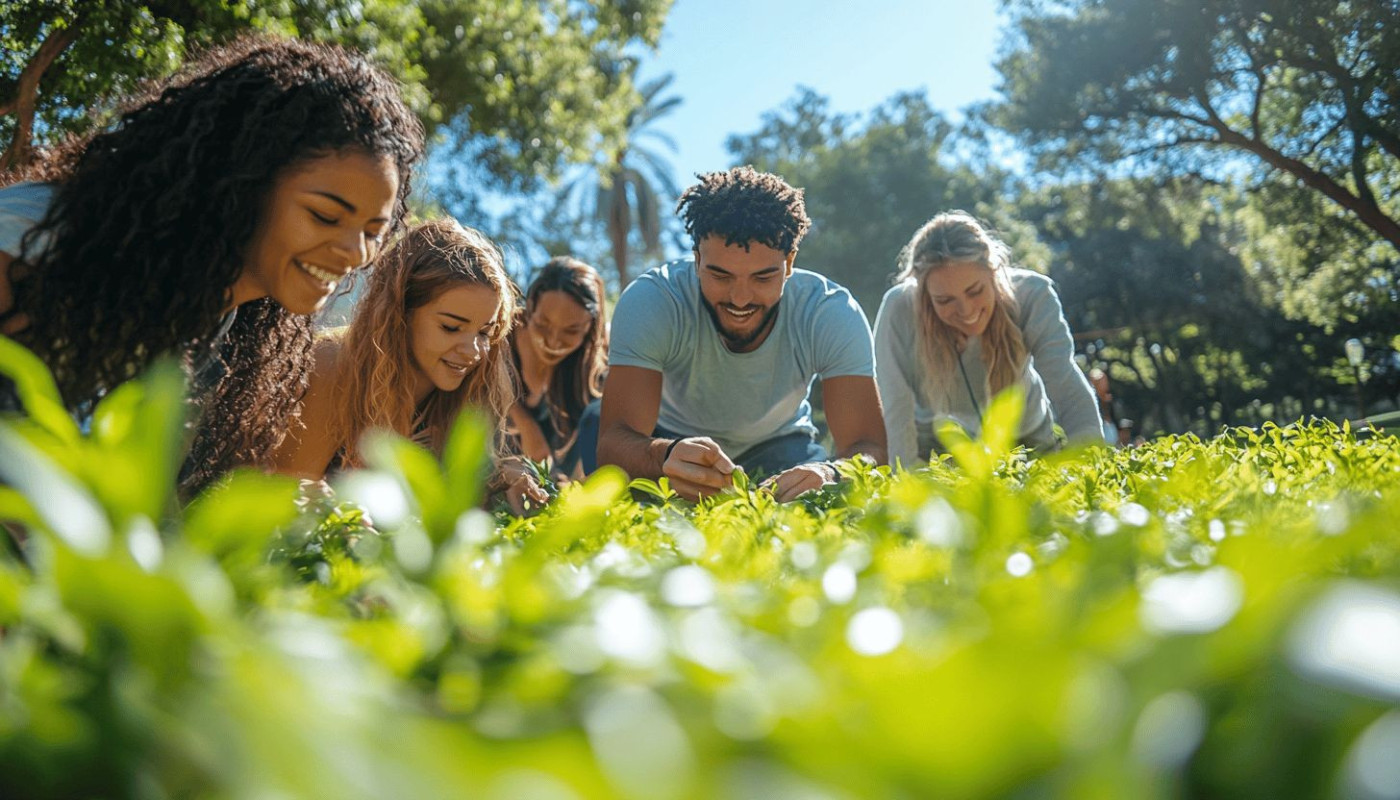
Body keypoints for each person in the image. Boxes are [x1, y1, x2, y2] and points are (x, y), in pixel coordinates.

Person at [0, 36, 424, 496]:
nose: (355, 252)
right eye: (325, 216)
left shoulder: (219, 327)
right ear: (240, 182)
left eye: (372, 232)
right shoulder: (33, 240)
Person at [596, 165, 887, 502]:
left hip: (781, 445)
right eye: (720, 276)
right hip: (668, 441)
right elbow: (613, 444)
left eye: (763, 278)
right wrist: (664, 455)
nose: (740, 299)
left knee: (826, 507)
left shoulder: (829, 312)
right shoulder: (653, 301)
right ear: (696, 259)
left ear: (789, 263)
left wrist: (831, 472)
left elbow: (870, 449)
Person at [270, 219, 546, 513]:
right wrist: (337, 517)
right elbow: (283, 494)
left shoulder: (464, 393)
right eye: (451, 327)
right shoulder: (334, 365)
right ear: (400, 313)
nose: (474, 351)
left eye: (484, 332)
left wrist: (499, 482)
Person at [873, 211, 1105, 466]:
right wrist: (907, 484)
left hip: (1028, 441)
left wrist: (1088, 467)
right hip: (940, 450)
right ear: (924, 292)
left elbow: (1064, 384)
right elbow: (896, 409)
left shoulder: (1033, 295)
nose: (967, 311)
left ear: (993, 270)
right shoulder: (898, 309)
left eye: (975, 291)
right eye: (944, 300)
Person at [506, 256, 608, 482]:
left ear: (590, 327)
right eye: (543, 325)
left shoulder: (588, 370)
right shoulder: (499, 339)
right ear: (530, 307)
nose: (553, 342)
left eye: (571, 331)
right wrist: (525, 422)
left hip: (546, 482)